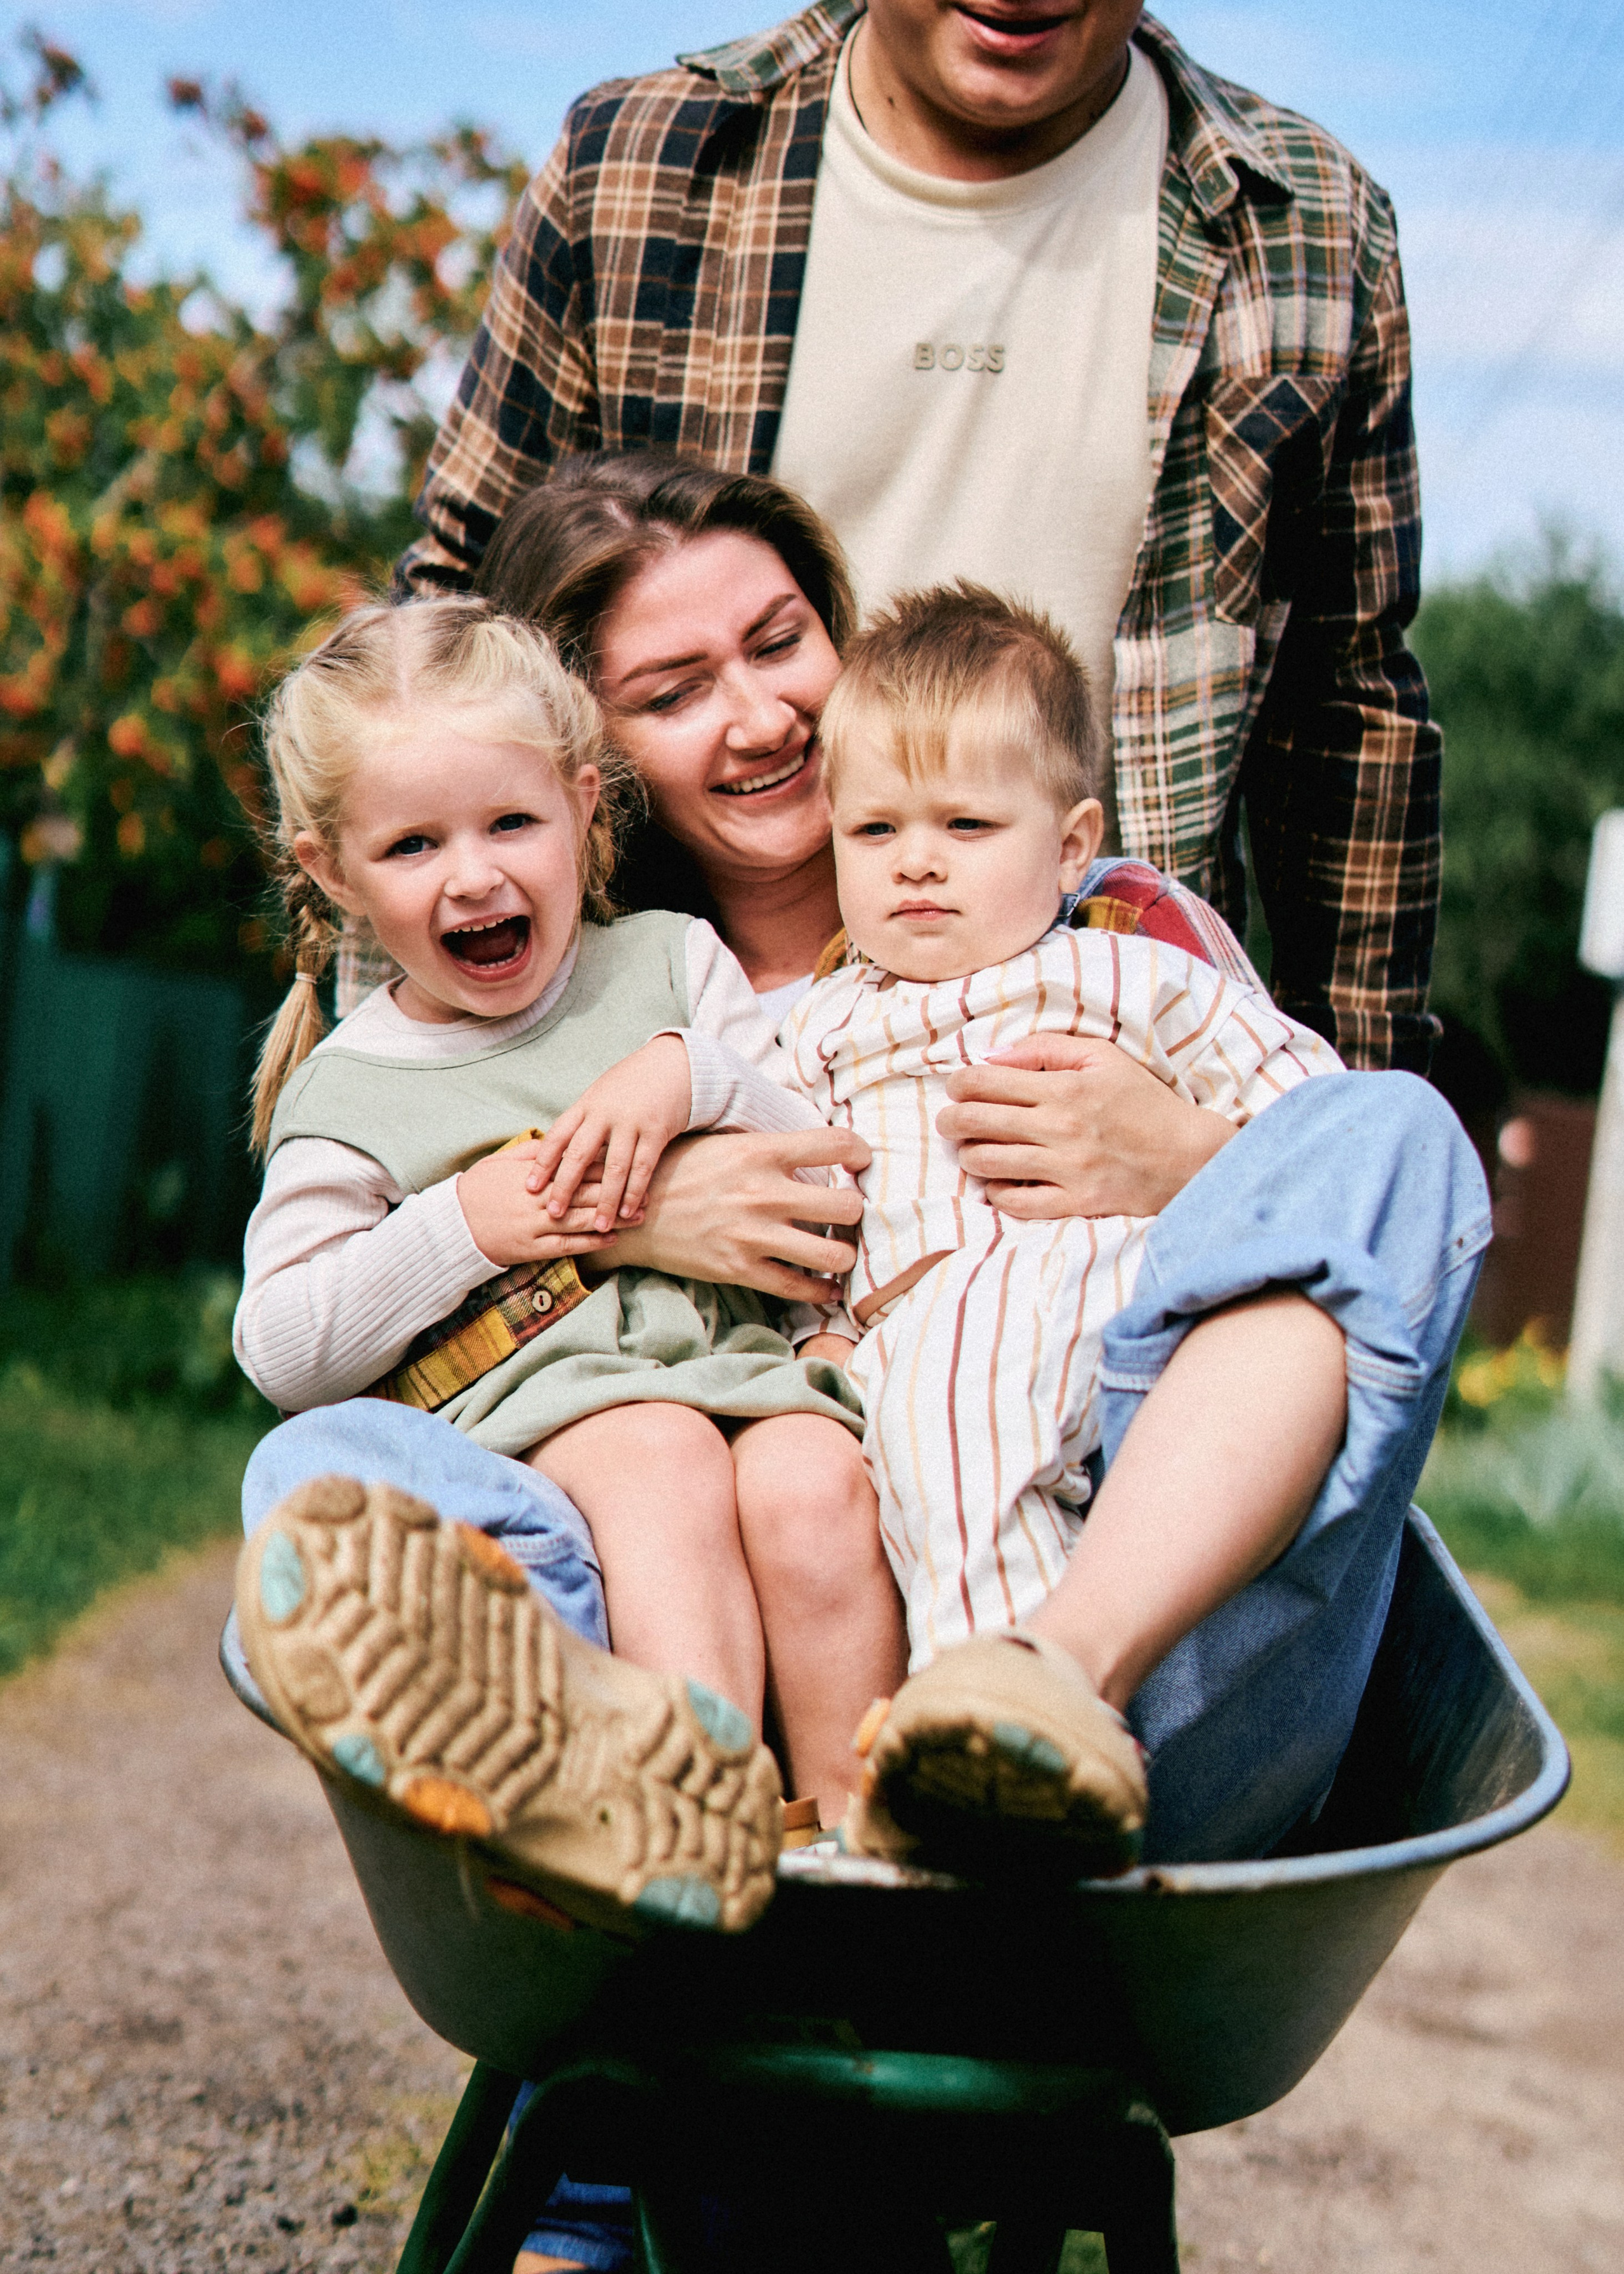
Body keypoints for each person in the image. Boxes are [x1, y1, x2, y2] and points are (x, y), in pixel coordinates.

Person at [399, 0, 1442, 1080]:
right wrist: (406, 1095)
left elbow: (1348, 728)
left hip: (1114, 1054)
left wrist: (1335, 1151)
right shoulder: (641, 171)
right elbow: (442, 650)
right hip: (699, 1034)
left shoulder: (1303, 222)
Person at [232, 592, 910, 1938]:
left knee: (813, 1479)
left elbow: (831, 1166)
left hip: (759, 1381)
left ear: (583, 808)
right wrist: (471, 1221)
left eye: (509, 824)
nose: (472, 875)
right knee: (656, 1452)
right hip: (556, 1423)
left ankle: (857, 1840)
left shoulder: (667, 970)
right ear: (331, 870)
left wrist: (688, 1072)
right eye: (412, 843)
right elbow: (284, 1344)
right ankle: (698, 1805)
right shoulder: (353, 1091)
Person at [775, 580, 1350, 1871]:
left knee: (960, 1402)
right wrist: (813, 1332)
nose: (914, 858)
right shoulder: (813, 1027)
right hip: (909, 1324)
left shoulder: (1126, 975)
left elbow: (1324, 1131)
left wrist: (1193, 1150)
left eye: (966, 821)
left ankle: (1002, 1729)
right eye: (873, 827)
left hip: (1120, 1305)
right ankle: (969, 1756)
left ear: (1069, 837)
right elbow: (791, 1210)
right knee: (902, 1445)